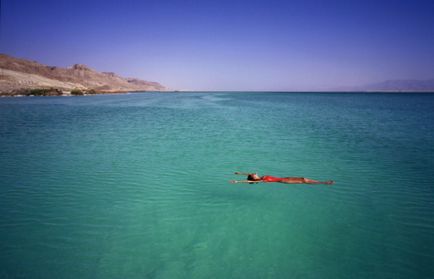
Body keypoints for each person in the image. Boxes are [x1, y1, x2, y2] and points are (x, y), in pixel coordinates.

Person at [230, 172, 334, 185]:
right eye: (254, 175)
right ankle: (324, 182)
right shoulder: (261, 180)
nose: (255, 173)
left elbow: (250, 174)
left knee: (303, 178)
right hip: (284, 181)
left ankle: (323, 182)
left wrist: (240, 173)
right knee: (304, 181)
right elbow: (249, 180)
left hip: (284, 178)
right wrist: (238, 181)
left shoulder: (260, 177)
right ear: (254, 178)